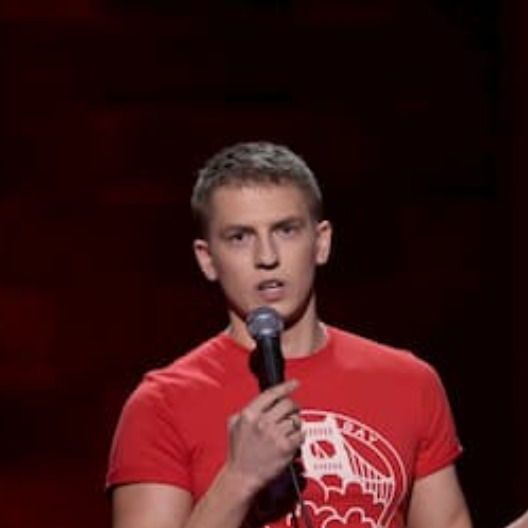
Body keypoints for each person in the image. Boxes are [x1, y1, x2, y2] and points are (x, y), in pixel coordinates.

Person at [106, 141, 473, 528]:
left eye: (286, 230)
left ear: (321, 242)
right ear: (207, 258)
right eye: (240, 237)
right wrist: (238, 480)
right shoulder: (162, 405)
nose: (267, 257)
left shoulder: (409, 382)